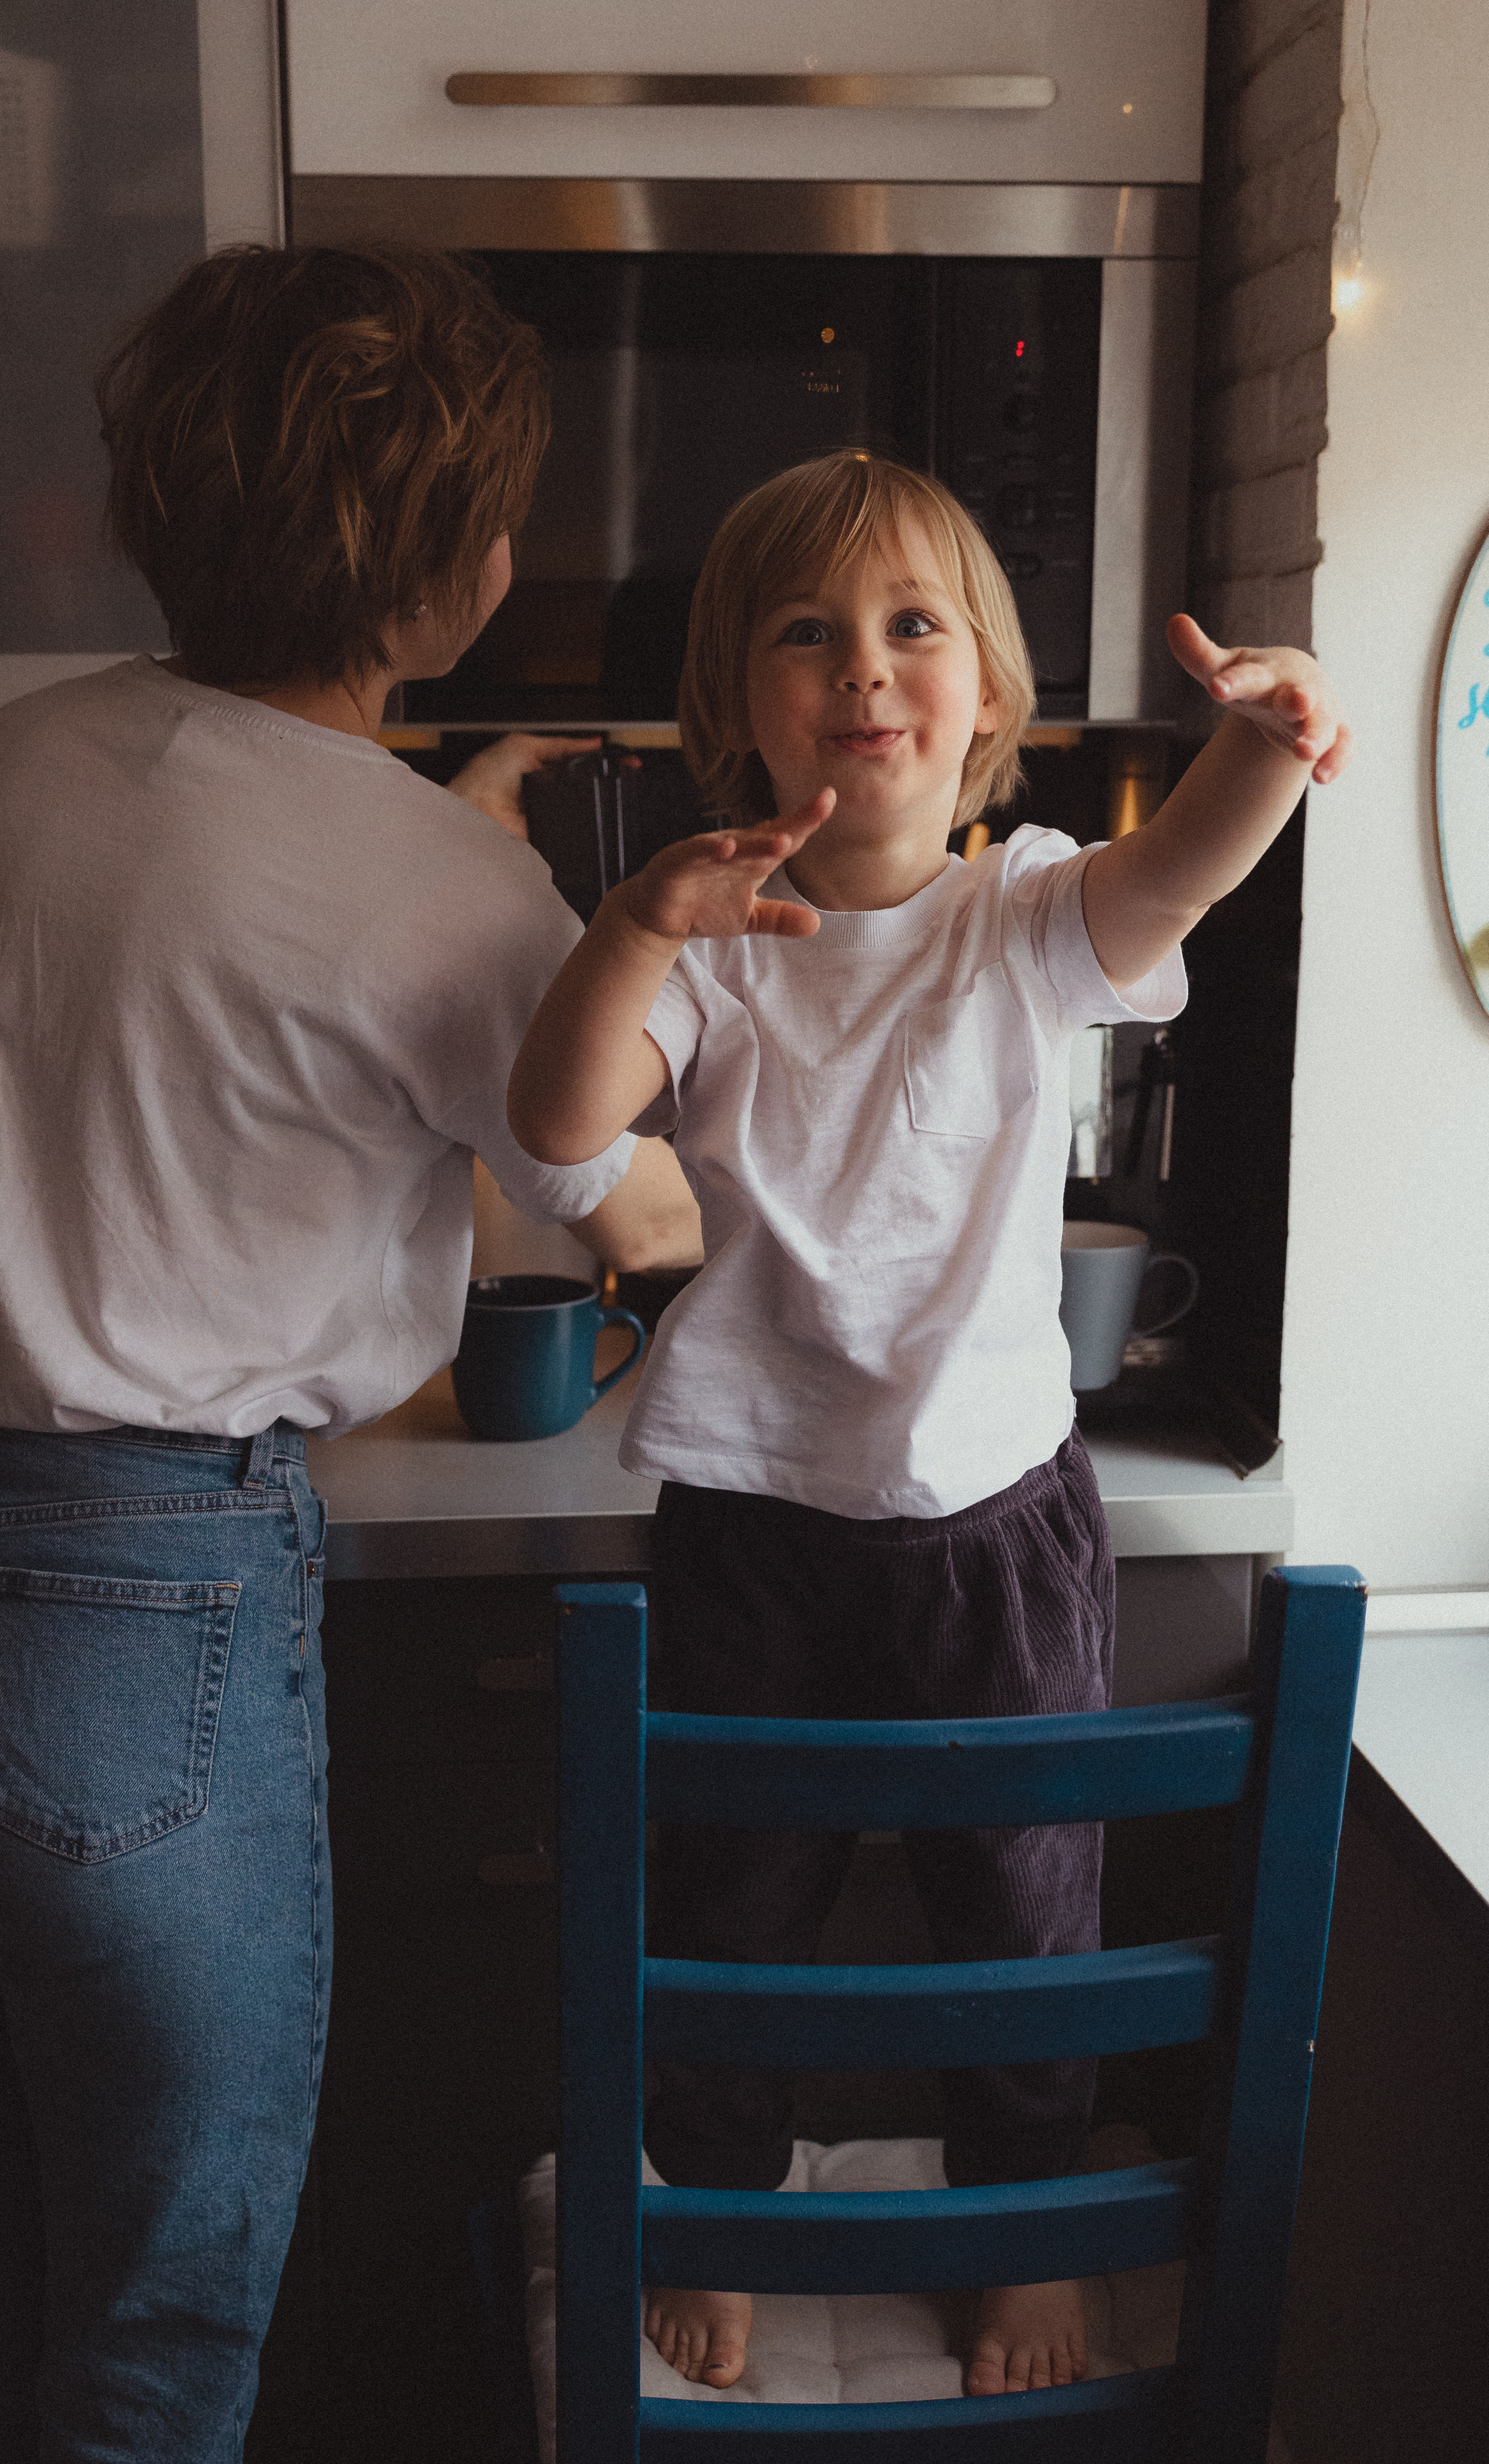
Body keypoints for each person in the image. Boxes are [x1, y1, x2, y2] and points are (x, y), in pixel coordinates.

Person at [0, 242, 696, 2462]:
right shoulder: (442, 900)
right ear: (462, 569)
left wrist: (464, 868)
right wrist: (529, 927)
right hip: (144, 1615)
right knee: (160, 2319)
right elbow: (635, 1205)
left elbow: (201, 971)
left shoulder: (12, 763)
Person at [508, 448, 1351, 2400]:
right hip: (747, 1515)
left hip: (995, 1519)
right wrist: (634, 923)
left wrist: (1273, 739)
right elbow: (558, 1134)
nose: (864, 668)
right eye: (808, 634)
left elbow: (1192, 865)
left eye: (913, 627)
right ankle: (710, 2206)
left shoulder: (1031, 913)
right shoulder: (710, 939)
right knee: (722, 1911)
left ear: (988, 695)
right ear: (735, 699)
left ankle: (1019, 2226)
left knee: (1026, 1910)